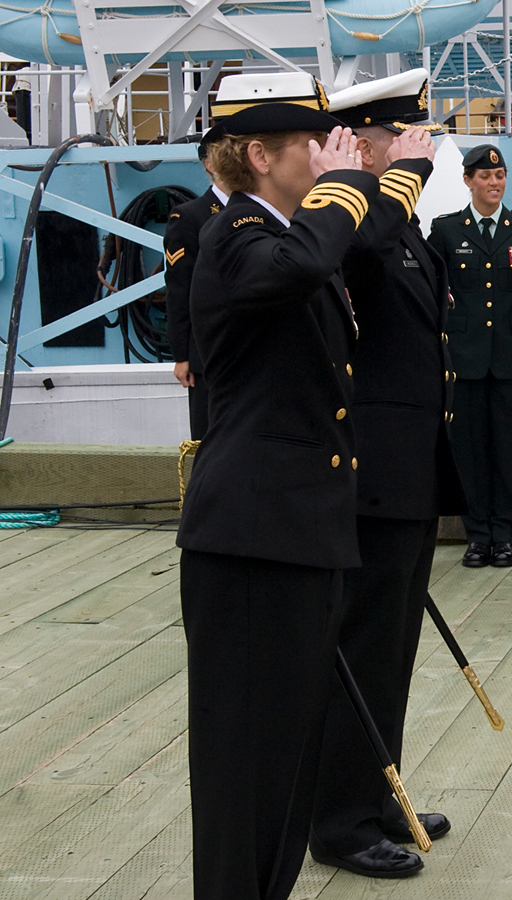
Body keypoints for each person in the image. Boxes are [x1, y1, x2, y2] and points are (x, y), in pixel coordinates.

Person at [175, 72, 377, 900]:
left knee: (283, 761)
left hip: (293, 535)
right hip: (252, 544)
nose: (327, 153)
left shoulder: (283, 233)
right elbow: (291, 267)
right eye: (308, 143)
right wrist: (348, 188)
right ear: (258, 155)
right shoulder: (234, 234)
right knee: (245, 769)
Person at [306, 69, 461, 880]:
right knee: (363, 647)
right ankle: (338, 821)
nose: (419, 150)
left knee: (392, 650)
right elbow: (358, 244)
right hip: (370, 479)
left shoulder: (402, 228)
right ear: (359, 144)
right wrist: (392, 174)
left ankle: (379, 791)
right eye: (401, 138)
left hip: (408, 474)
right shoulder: (355, 223)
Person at [428, 144, 512, 568]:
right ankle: (477, 535)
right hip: (464, 359)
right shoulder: (445, 231)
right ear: (468, 181)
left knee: (509, 450)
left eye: (499, 177)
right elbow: (433, 296)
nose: (493, 183)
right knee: (469, 452)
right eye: (484, 176)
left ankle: (505, 536)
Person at [164, 128, 230, 439]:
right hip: (208, 353)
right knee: (211, 441)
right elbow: (180, 288)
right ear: (210, 164)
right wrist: (182, 355)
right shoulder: (190, 216)